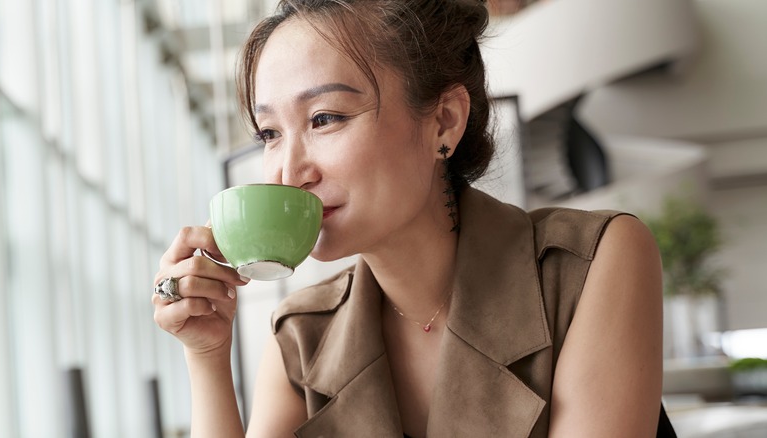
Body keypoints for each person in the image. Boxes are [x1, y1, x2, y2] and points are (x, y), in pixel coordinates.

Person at [152, 1, 675, 436]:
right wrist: (208, 356)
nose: (289, 171)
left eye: (325, 118)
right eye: (270, 134)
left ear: (444, 120)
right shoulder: (302, 336)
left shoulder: (588, 264)